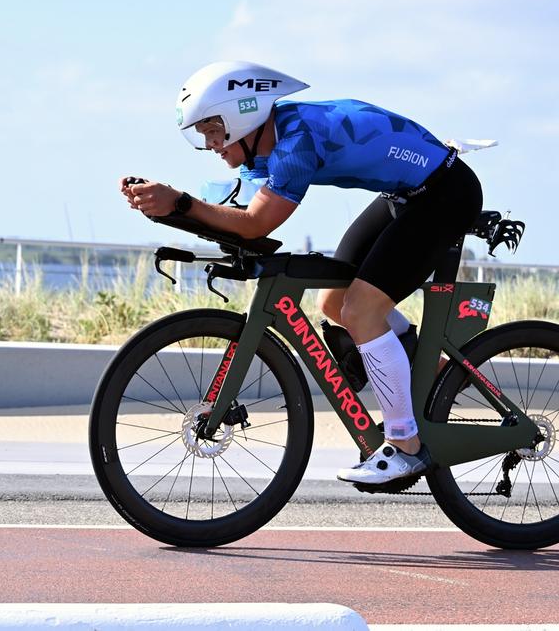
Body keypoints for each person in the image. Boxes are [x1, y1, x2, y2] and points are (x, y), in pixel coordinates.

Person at [120, 61, 483, 485]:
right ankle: (434, 370)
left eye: (213, 130)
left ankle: (406, 446)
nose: (210, 143)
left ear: (242, 117)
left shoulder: (296, 142)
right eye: (203, 134)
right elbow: (232, 212)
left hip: (445, 194)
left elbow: (256, 224)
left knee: (363, 310)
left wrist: (179, 204)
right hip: (406, 193)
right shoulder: (267, 144)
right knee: (333, 302)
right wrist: (166, 205)